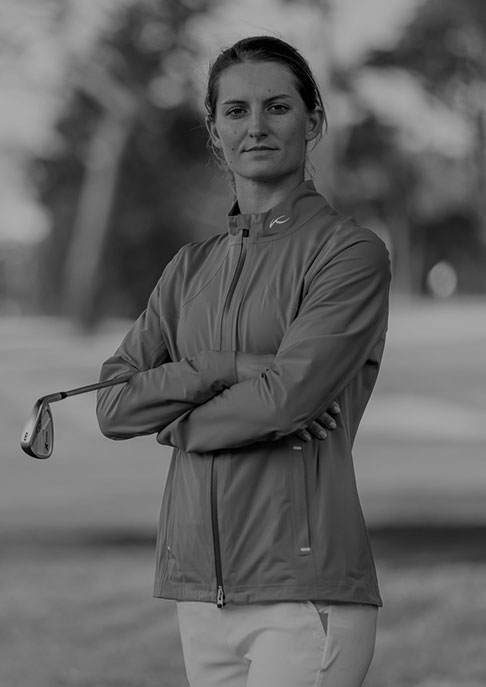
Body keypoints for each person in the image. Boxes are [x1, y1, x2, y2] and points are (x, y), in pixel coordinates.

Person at [96, 35, 391, 687]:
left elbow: (287, 398)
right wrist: (224, 365)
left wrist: (175, 424)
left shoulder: (349, 253)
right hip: (201, 594)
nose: (255, 126)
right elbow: (114, 406)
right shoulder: (187, 269)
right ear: (214, 132)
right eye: (235, 111)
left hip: (305, 596)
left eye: (277, 107)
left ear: (313, 122)